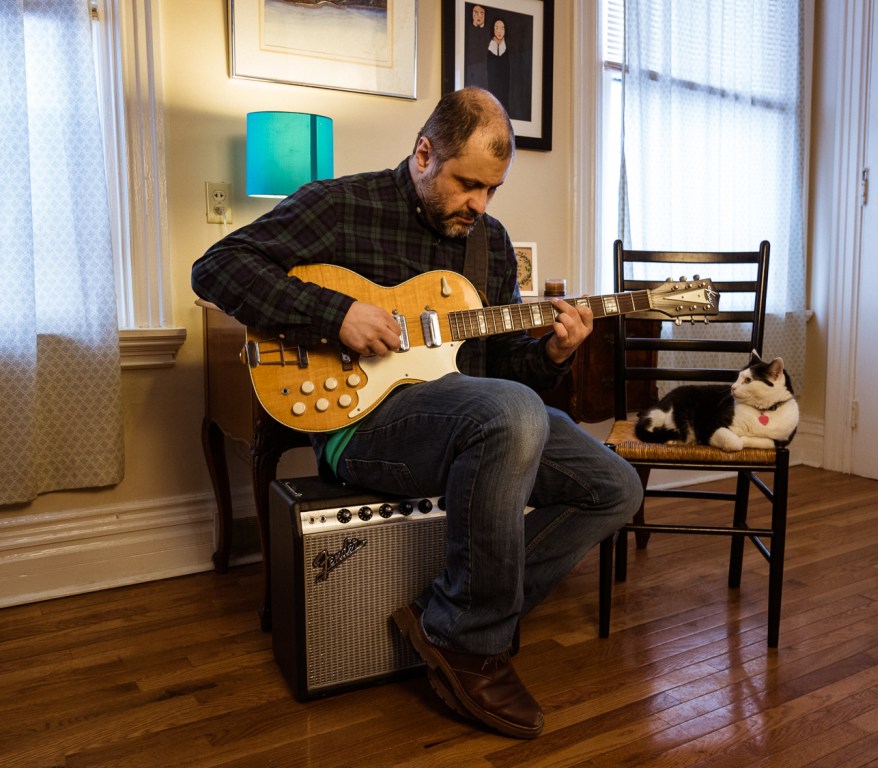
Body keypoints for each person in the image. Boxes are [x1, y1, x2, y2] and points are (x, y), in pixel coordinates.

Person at [191, 88, 642, 740]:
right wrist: (337, 314)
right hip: (359, 427)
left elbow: (504, 376)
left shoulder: (489, 243)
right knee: (512, 412)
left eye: (492, 189)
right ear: (424, 154)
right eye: (468, 185)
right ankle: (468, 643)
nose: (480, 205)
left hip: (470, 418)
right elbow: (217, 267)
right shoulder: (341, 206)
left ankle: (448, 611)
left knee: (615, 487)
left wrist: (553, 353)